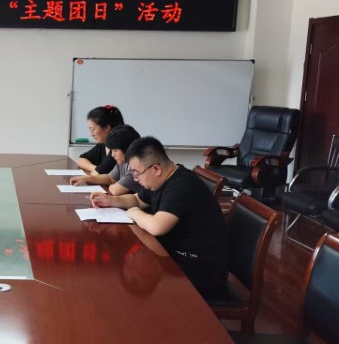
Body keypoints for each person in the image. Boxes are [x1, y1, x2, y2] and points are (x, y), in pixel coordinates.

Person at [90, 136, 228, 295]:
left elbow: (157, 226)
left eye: (137, 174)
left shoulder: (181, 186)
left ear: (156, 169)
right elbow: (136, 200)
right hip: (177, 256)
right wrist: (110, 200)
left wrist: (135, 213)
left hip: (201, 269)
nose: (136, 179)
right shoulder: (160, 180)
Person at [71, 125, 142, 197]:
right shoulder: (123, 161)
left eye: (115, 151)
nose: (112, 155)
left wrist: (112, 186)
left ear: (128, 149)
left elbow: (115, 191)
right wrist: (87, 178)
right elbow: (110, 178)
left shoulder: (136, 167)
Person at [76, 105, 124, 175]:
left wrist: (98, 170)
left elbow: (98, 173)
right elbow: (80, 160)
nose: (91, 134)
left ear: (107, 127)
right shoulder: (102, 145)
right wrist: (95, 168)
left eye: (92, 129)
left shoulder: (117, 148)